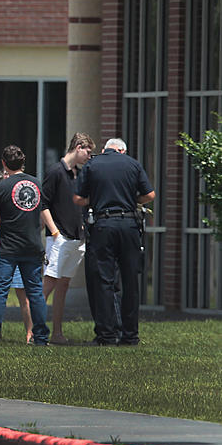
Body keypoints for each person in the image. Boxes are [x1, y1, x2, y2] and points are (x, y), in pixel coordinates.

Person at [74, 138, 155, 346]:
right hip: (129, 226)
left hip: (104, 225)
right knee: (130, 281)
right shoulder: (133, 164)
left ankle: (107, 334)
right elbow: (150, 194)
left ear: (105, 149)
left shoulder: (92, 164)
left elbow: (77, 198)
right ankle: (130, 335)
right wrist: (131, 200)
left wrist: (98, 198)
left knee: (104, 280)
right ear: (122, 150)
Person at [0, 145, 49, 346]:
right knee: (35, 292)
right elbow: (42, 211)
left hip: (7, 246)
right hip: (32, 244)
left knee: (0, 291)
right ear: (23, 162)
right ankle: (41, 337)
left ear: (4, 164)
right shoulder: (36, 184)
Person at [41, 132, 94, 345]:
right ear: (79, 146)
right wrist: (55, 233)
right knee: (48, 285)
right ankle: (33, 332)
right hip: (58, 238)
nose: (89, 156)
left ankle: (57, 333)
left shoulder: (79, 174)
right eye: (88, 152)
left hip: (76, 238)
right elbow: (43, 205)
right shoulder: (55, 171)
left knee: (63, 286)